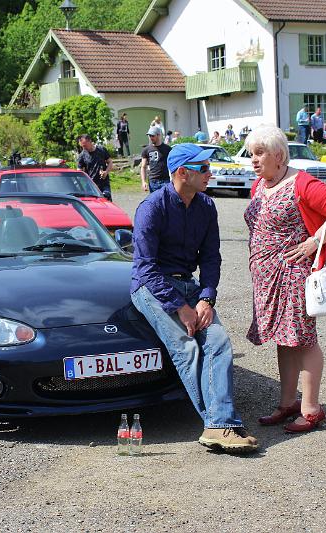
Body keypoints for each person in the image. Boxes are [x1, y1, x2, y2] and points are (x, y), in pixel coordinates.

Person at [130, 143, 258, 453]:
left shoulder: (206, 206)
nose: (210, 174)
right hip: (152, 288)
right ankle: (221, 424)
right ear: (182, 173)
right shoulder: (152, 207)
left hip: (190, 286)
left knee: (217, 343)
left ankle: (218, 424)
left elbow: (211, 258)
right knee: (187, 348)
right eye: (204, 169)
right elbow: (145, 268)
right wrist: (179, 307)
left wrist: (206, 299)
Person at [243, 125, 326, 433]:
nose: (253, 160)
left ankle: (311, 408)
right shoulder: (261, 185)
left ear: (278, 155)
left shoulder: (301, 183)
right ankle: (288, 402)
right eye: (251, 154)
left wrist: (313, 242)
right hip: (267, 277)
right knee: (284, 339)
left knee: (303, 339)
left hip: (293, 275)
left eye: (259, 153)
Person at [140, 126, 172, 193]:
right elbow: (143, 167)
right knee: (155, 202)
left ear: (158, 135)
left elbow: (173, 164)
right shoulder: (146, 150)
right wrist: (143, 181)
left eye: (152, 136)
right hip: (153, 181)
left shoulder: (168, 149)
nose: (150, 138)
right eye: (149, 136)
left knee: (166, 202)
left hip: (165, 181)